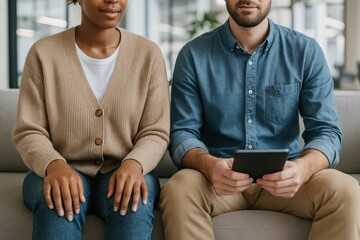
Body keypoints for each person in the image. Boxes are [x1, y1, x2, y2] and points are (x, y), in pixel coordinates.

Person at [159, 0, 360, 239]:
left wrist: (302, 168)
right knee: (178, 188)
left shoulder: (305, 51)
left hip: (287, 181)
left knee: (345, 190)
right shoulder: (193, 55)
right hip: (217, 181)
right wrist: (208, 165)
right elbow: (182, 132)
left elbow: (327, 131)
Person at [12, 0, 170, 239]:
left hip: (124, 168)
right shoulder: (43, 53)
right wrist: (54, 165)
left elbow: (155, 131)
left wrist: (134, 164)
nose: (113, 0)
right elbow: (28, 131)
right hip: (58, 167)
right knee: (57, 201)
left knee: (135, 199)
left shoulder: (148, 55)